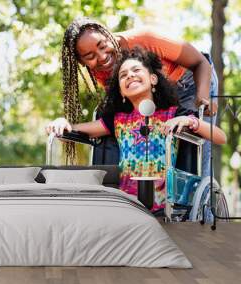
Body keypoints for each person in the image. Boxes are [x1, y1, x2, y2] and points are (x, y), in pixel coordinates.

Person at [47, 48, 226, 211]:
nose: (130, 76)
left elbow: (220, 137)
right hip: (127, 204)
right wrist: (63, 123)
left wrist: (189, 121)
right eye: (123, 75)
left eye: (136, 70)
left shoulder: (174, 114)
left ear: (153, 79)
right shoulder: (118, 120)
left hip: (164, 204)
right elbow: (80, 130)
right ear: (121, 91)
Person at [61, 17, 218, 177]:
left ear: (108, 35)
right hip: (157, 96)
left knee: (193, 152)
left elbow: (200, 62)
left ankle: (204, 196)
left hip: (191, 82)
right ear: (81, 62)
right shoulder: (101, 70)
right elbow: (121, 113)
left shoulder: (146, 38)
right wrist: (69, 127)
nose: (101, 56)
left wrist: (203, 98)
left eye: (102, 46)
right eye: (89, 56)